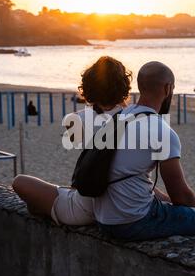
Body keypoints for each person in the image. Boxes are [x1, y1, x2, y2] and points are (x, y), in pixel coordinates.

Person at [93, 61, 195, 246]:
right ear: (168, 88)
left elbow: (128, 176)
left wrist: (174, 203)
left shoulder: (117, 119)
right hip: (133, 221)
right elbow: (180, 195)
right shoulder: (161, 130)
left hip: (103, 218)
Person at [12, 56, 132, 226]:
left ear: (88, 88)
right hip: (118, 206)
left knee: (20, 181)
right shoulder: (135, 120)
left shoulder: (76, 120)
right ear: (123, 87)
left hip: (84, 210)